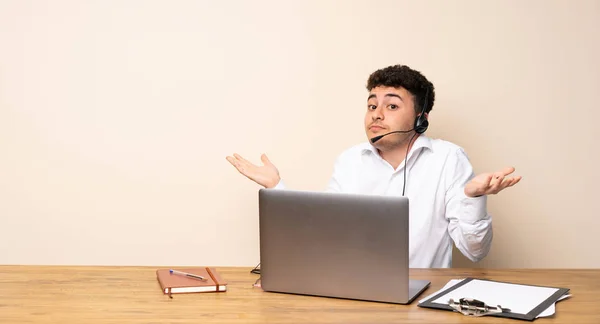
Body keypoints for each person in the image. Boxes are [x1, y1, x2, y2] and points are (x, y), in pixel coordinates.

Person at [226, 64, 521, 268]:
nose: (376, 115)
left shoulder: (449, 158)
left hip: (423, 299)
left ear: (421, 118)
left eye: (392, 106)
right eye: (371, 105)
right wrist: (278, 188)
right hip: (353, 292)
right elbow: (327, 228)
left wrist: (472, 197)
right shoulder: (350, 160)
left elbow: (475, 252)